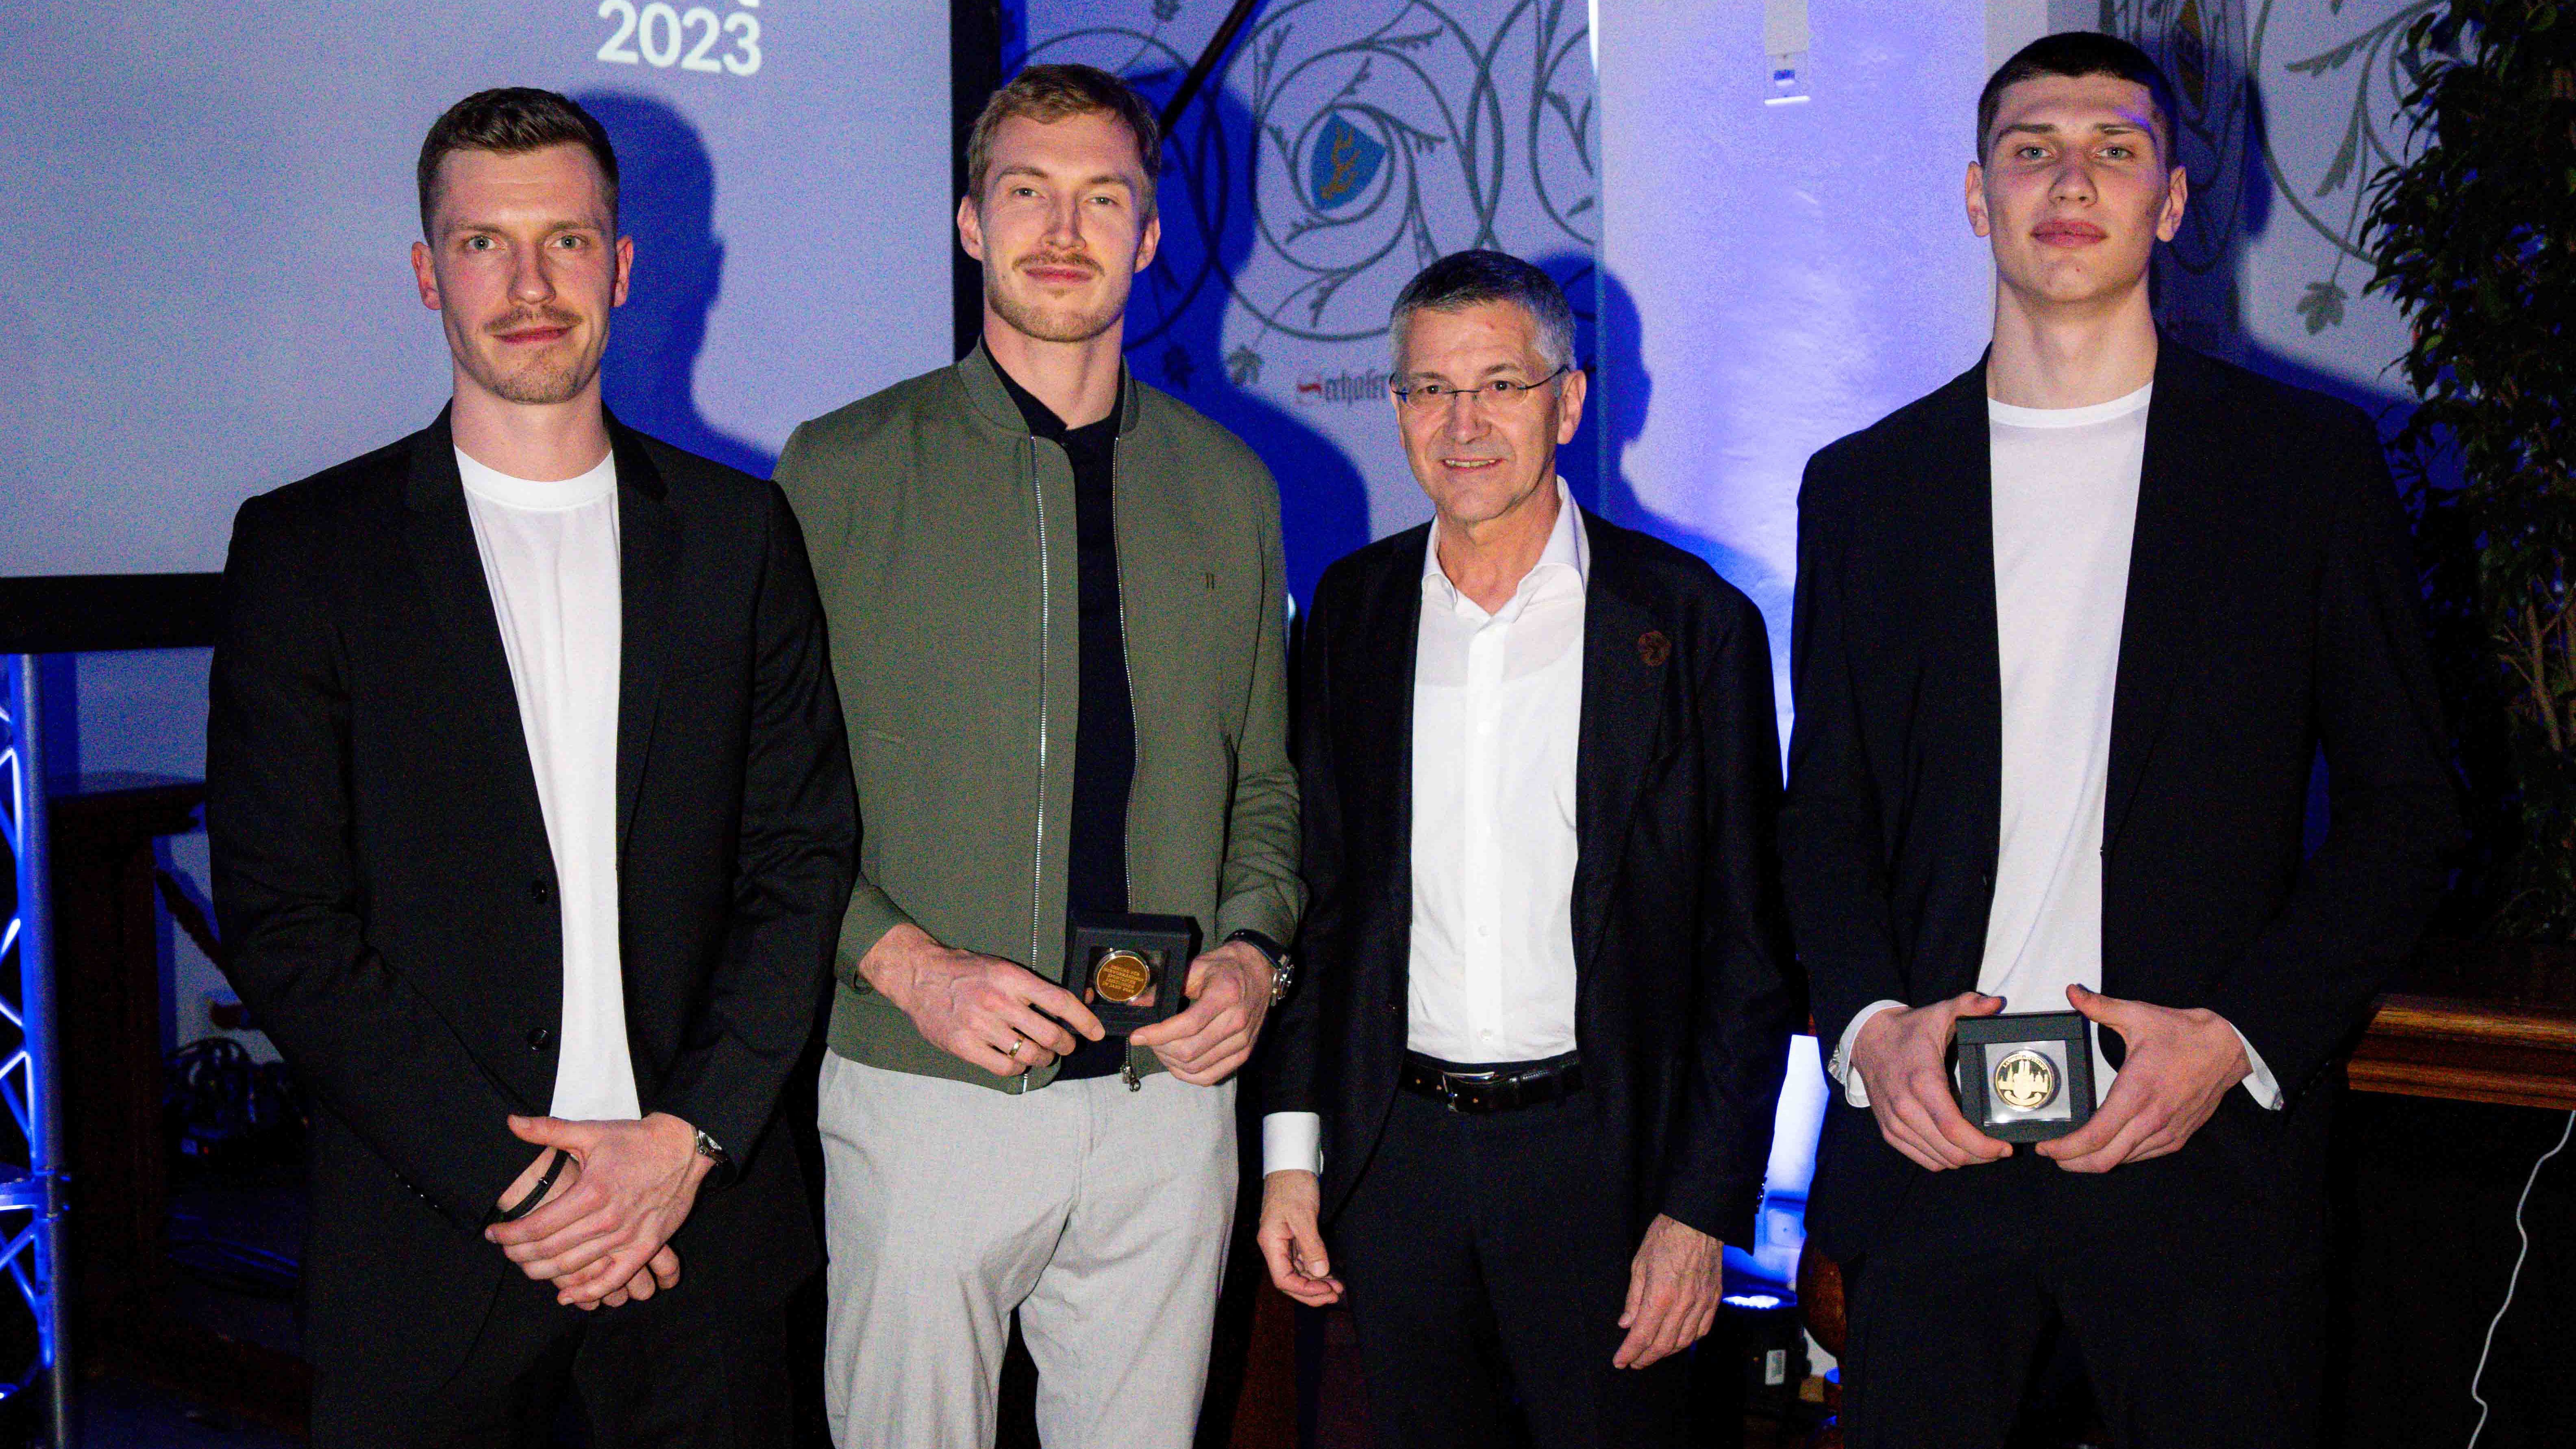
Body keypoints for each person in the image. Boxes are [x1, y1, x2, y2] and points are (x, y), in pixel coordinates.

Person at [1781, 33, 2461, 1448]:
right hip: (1937, 1156)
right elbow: (1825, 813)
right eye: (2032, 148)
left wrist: (2234, 1037)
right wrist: (1867, 1032)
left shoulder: (2304, 468)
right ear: (1979, 196)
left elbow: (2412, 811)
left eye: (2115, 147)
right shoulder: (1863, 489)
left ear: (2173, 199)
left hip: (2201, 1165)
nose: (2069, 177)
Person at [206, 88, 855, 1445]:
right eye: (484, 242)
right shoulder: (307, 552)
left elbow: (798, 865)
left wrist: (684, 1142)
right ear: (426, 271)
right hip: (431, 1250)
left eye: (566, 240)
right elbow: (285, 923)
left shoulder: (742, 536)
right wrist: (529, 1191)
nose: (528, 283)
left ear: (620, 266)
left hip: (702, 1236)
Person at [771, 63, 1303, 1449]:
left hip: (1167, 1107)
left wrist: (1252, 957)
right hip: (923, 1086)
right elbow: (764, 801)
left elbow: (1265, 786)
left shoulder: (1234, 489)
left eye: (1102, 196)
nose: (1062, 229)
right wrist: (904, 963)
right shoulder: (836, 472)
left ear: (1152, 233)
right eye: (1026, 191)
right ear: (967, 220)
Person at [1255, 249, 1800, 1449]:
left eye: (1499, 384)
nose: (1462, 425)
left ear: (1568, 399)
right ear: (1396, 409)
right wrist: (1293, 1157)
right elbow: (1322, 908)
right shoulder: (1349, 612)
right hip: (1396, 1162)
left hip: (1608, 1165)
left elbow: (1749, 951)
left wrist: (1702, 1208)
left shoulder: (1693, 623)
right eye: (1427, 390)